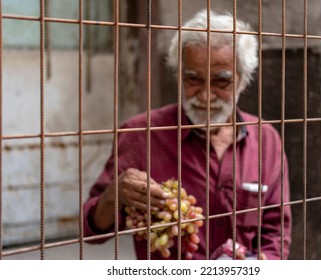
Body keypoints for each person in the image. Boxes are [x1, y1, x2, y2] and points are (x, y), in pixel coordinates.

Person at [83, 9, 292, 260]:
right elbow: (92, 231)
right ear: (179, 76)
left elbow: (276, 232)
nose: (205, 95)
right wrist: (115, 194)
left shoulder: (266, 139)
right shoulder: (140, 134)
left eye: (221, 82)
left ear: (243, 81)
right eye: (193, 80)